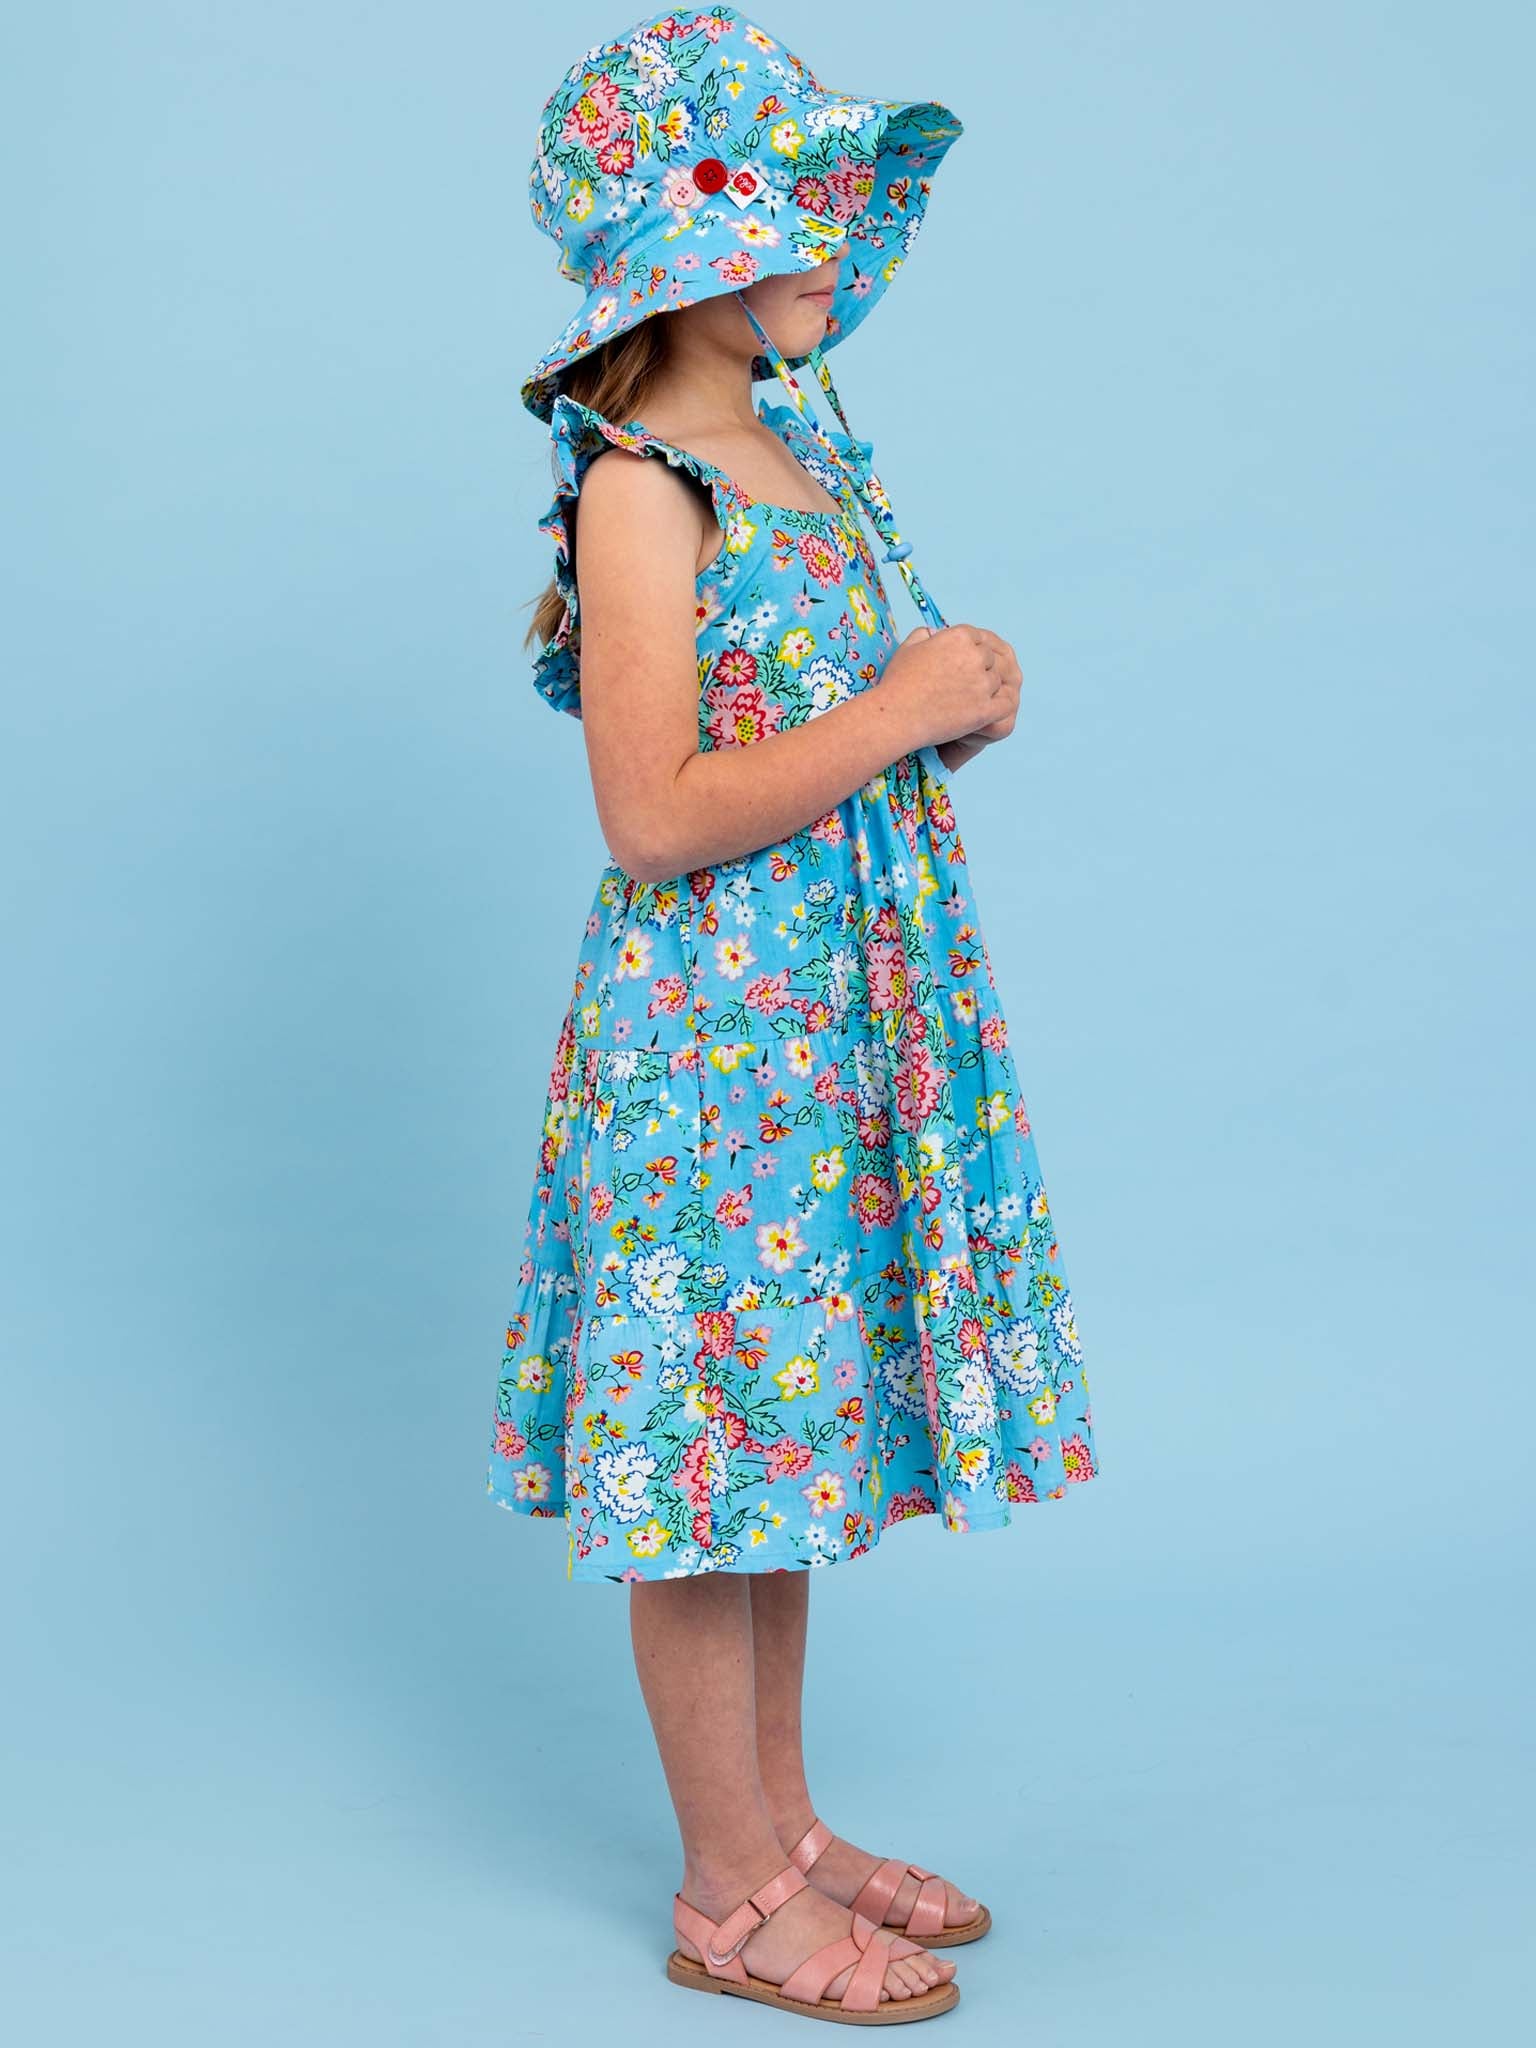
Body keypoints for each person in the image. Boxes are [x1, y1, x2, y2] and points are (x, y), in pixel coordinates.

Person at [485, 7, 1102, 2025]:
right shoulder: (642, 488)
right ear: (697, 226)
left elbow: (817, 738)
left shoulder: (801, 435)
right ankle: (727, 1889)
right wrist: (893, 710)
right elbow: (658, 815)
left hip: (825, 1016)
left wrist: (947, 714)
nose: (846, 234)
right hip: (711, 1055)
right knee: (703, 1456)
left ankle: (789, 1817)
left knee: (783, 1447)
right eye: (810, 200)